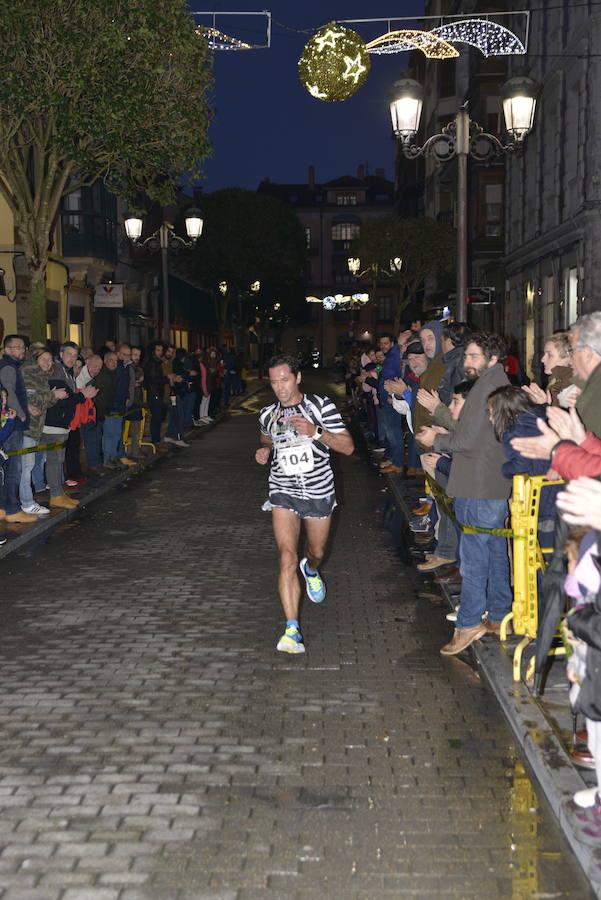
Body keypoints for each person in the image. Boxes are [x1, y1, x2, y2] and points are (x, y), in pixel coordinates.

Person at [417, 333, 513, 654]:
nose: (467, 362)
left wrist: (437, 440)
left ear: (492, 359)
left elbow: (465, 441)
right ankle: (500, 615)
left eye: (473, 357)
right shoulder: (495, 383)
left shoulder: (485, 388)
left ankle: (469, 622)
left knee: (474, 557)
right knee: (495, 550)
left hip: (478, 484)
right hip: (489, 483)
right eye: (467, 356)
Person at [255, 353, 354, 654]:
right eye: (274, 382)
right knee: (285, 558)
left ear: (297, 378)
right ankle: (292, 631)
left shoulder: (320, 407)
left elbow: (348, 447)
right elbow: (266, 439)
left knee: (316, 551)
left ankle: (311, 570)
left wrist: (316, 432)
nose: (280, 388)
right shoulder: (267, 414)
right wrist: (262, 451)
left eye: (285, 380)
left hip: (317, 491)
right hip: (282, 490)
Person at [20, 348, 68, 515]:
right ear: (35, 359)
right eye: (43, 359)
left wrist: (51, 396)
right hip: (26, 427)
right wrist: (53, 394)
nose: (47, 362)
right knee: (26, 466)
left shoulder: (42, 376)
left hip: (35, 427)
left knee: (29, 464)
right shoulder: (30, 373)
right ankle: (26, 502)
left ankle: (24, 501)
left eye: (49, 359)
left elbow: (42, 404)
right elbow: (32, 399)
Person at [0, 335, 39, 524]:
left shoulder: (12, 366)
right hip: (13, 424)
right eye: (18, 347)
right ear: (7, 350)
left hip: (11, 422)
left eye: (23, 347)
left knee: (6, 468)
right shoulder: (8, 367)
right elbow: (10, 393)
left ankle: (2, 507)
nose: (22, 350)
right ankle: (13, 509)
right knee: (14, 468)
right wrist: (22, 415)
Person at [144, 342, 168, 445]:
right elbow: (154, 379)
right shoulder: (152, 363)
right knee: (156, 417)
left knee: (158, 417)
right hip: (154, 393)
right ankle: (155, 440)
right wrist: (166, 378)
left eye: (161, 350)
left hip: (157, 392)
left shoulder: (157, 362)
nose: (160, 352)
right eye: (158, 350)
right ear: (153, 351)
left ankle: (157, 440)